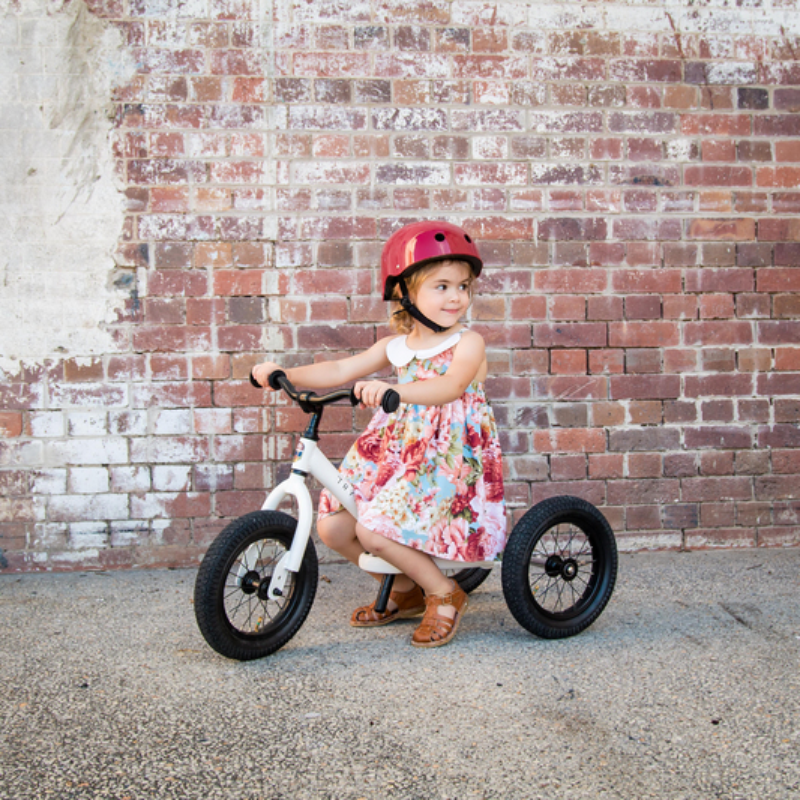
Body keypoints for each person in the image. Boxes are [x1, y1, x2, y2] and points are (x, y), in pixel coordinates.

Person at [252, 221, 506, 648]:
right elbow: (339, 369)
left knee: (374, 532)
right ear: (405, 292)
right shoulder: (395, 346)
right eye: (442, 286)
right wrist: (284, 373)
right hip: (398, 449)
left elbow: (450, 387)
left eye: (463, 286)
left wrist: (396, 391)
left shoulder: (468, 342)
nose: (456, 297)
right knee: (334, 529)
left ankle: (444, 592)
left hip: (445, 455)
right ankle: (406, 589)